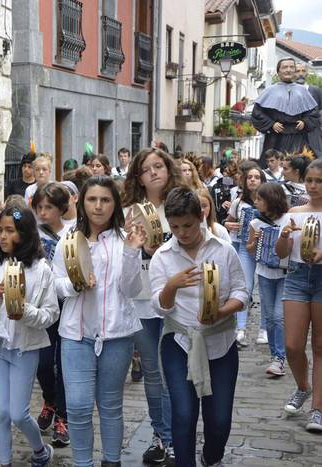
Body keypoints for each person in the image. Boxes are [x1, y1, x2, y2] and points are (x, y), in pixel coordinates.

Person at [150, 187, 247, 467]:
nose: (182, 232)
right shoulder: (163, 256)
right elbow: (159, 306)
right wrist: (172, 285)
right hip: (180, 341)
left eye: (188, 225)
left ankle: (211, 456)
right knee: (183, 413)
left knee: (219, 420)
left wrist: (221, 311)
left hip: (220, 340)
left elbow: (241, 293)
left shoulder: (223, 250)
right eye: (176, 227)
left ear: (201, 216)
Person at [54, 176, 145, 467]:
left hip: (116, 334)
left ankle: (111, 461)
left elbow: (132, 290)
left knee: (110, 405)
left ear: (115, 203)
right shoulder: (68, 239)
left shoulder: (124, 240)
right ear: (81, 202)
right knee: (78, 406)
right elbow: (55, 285)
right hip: (76, 334)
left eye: (105, 199)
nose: (98, 206)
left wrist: (132, 252)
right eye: (92, 199)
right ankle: (83, 463)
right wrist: (75, 285)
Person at [0, 206, 60, 467]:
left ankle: (41, 451)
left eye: (9, 231)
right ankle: (5, 462)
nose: (2, 236)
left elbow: (51, 314)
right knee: (0, 412)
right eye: (0, 230)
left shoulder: (41, 269)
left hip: (26, 348)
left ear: (24, 233)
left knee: (18, 414)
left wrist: (25, 312)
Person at [122, 148, 183, 465]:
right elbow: (125, 255)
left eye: (159, 166)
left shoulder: (180, 203)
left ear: (168, 169)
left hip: (176, 301)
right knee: (153, 373)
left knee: (174, 372)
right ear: (138, 177)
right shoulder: (131, 210)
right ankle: (162, 436)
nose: (154, 172)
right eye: (147, 169)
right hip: (141, 302)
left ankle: (176, 436)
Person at [275, 158, 322, 432]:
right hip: (296, 276)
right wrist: (283, 236)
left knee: (319, 346)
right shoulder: (295, 212)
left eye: (319, 181)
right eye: (310, 180)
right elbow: (281, 252)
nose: (313, 186)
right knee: (292, 344)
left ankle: (318, 408)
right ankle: (303, 387)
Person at [31, 182, 74, 447]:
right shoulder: (33, 234)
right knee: (44, 363)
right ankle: (49, 399)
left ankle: (63, 417)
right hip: (43, 307)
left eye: (49, 207)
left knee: (65, 365)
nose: (44, 212)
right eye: (39, 207)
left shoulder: (73, 234)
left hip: (68, 305)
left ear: (61, 209)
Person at [245, 183, 289, 377]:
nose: (256, 202)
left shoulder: (289, 219)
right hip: (264, 273)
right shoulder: (255, 222)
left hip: (286, 274)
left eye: (259, 199)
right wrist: (254, 241)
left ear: (271, 200)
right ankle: (275, 355)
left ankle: (280, 358)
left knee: (279, 316)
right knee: (270, 317)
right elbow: (250, 249)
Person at [224, 165, 266, 347]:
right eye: (250, 177)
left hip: (265, 250)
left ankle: (264, 329)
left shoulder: (270, 200)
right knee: (245, 287)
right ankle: (240, 328)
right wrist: (229, 225)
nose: (253, 180)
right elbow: (228, 221)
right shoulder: (238, 202)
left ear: (262, 181)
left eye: (257, 177)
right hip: (244, 248)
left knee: (265, 290)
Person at [252, 58, 321, 157]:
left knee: (298, 165)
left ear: (294, 71)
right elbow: (257, 113)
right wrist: (271, 124)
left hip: (299, 137)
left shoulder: (303, 91)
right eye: (284, 67)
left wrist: (305, 122)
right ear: (278, 71)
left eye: (291, 67)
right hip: (276, 138)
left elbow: (314, 113)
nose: (288, 70)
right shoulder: (269, 91)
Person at [295, 62, 322, 157]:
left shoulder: (315, 90)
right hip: (295, 135)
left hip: (314, 135)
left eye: (303, 71)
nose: (301, 74)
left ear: (307, 73)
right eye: (297, 71)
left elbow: (320, 111)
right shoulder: (288, 91)